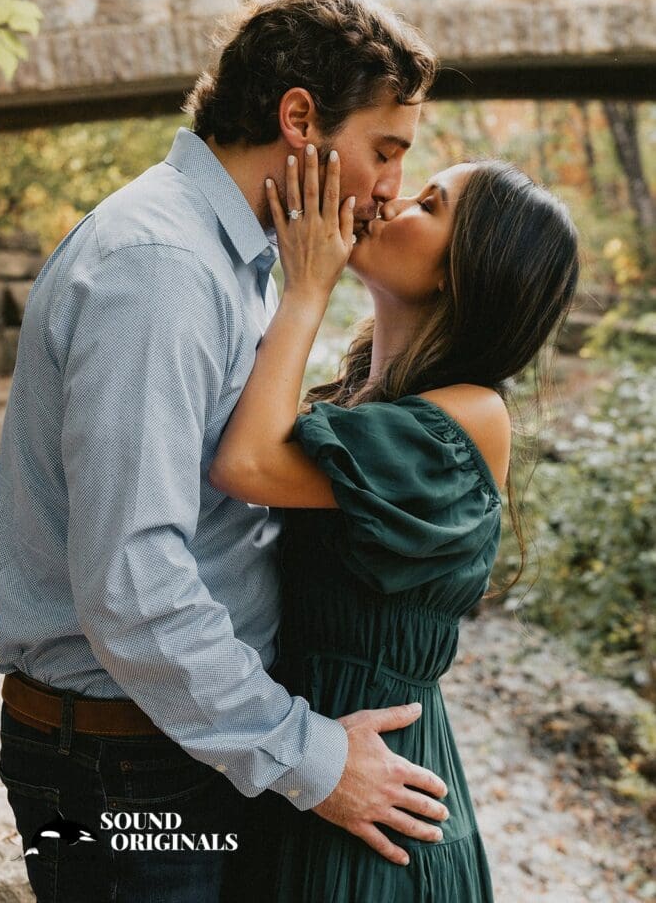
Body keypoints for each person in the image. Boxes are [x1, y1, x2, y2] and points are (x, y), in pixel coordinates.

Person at [0, 0, 455, 903]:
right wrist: (311, 758)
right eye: (384, 149)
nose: (390, 188)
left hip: (173, 738)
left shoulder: (230, 256)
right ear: (297, 117)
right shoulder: (161, 267)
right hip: (124, 764)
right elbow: (132, 578)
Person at [210, 144, 580, 901]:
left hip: (380, 796)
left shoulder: (469, 415)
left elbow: (245, 466)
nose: (392, 202)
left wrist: (307, 283)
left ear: (462, 270)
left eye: (430, 204)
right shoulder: (355, 398)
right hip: (309, 761)